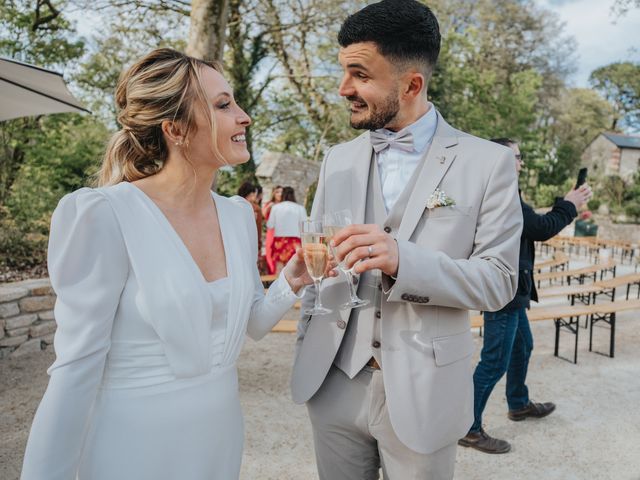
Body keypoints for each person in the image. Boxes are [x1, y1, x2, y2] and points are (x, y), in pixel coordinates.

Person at [20, 48, 332, 480]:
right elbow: (74, 370)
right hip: (133, 447)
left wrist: (291, 280)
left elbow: (250, 324)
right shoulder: (104, 215)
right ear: (175, 129)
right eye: (223, 105)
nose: (245, 117)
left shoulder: (237, 215)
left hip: (219, 440)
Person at [290, 2, 523, 479]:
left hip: (425, 390)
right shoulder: (337, 159)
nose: (343, 89)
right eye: (344, 72)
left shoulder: (486, 164)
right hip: (332, 381)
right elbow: (315, 262)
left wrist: (404, 260)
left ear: (412, 84)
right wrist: (306, 343)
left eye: (359, 74)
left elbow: (500, 283)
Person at [458, 138, 592, 454]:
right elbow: (542, 227)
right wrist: (570, 202)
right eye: (518, 157)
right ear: (502, 161)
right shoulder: (502, 196)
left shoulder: (505, 194)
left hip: (514, 290)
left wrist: (566, 203)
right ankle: (468, 427)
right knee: (493, 361)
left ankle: (518, 404)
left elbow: (530, 224)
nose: (521, 163)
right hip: (503, 291)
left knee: (523, 346)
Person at [266, 186, 308, 274]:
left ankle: (280, 287)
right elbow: (305, 227)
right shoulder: (300, 208)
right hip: (295, 242)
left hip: (279, 241)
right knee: (295, 269)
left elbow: (270, 225)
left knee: (279, 270)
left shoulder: (276, 207)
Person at [238, 180, 264, 255]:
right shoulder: (255, 208)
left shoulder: (233, 204)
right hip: (251, 241)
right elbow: (258, 228)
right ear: (251, 193)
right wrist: (259, 245)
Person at [263, 185, 283, 274]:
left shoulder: (285, 205)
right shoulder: (269, 204)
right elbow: (263, 215)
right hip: (271, 233)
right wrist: (269, 207)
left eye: (281, 192)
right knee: (271, 256)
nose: (280, 194)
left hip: (282, 233)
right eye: (277, 192)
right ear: (274, 193)